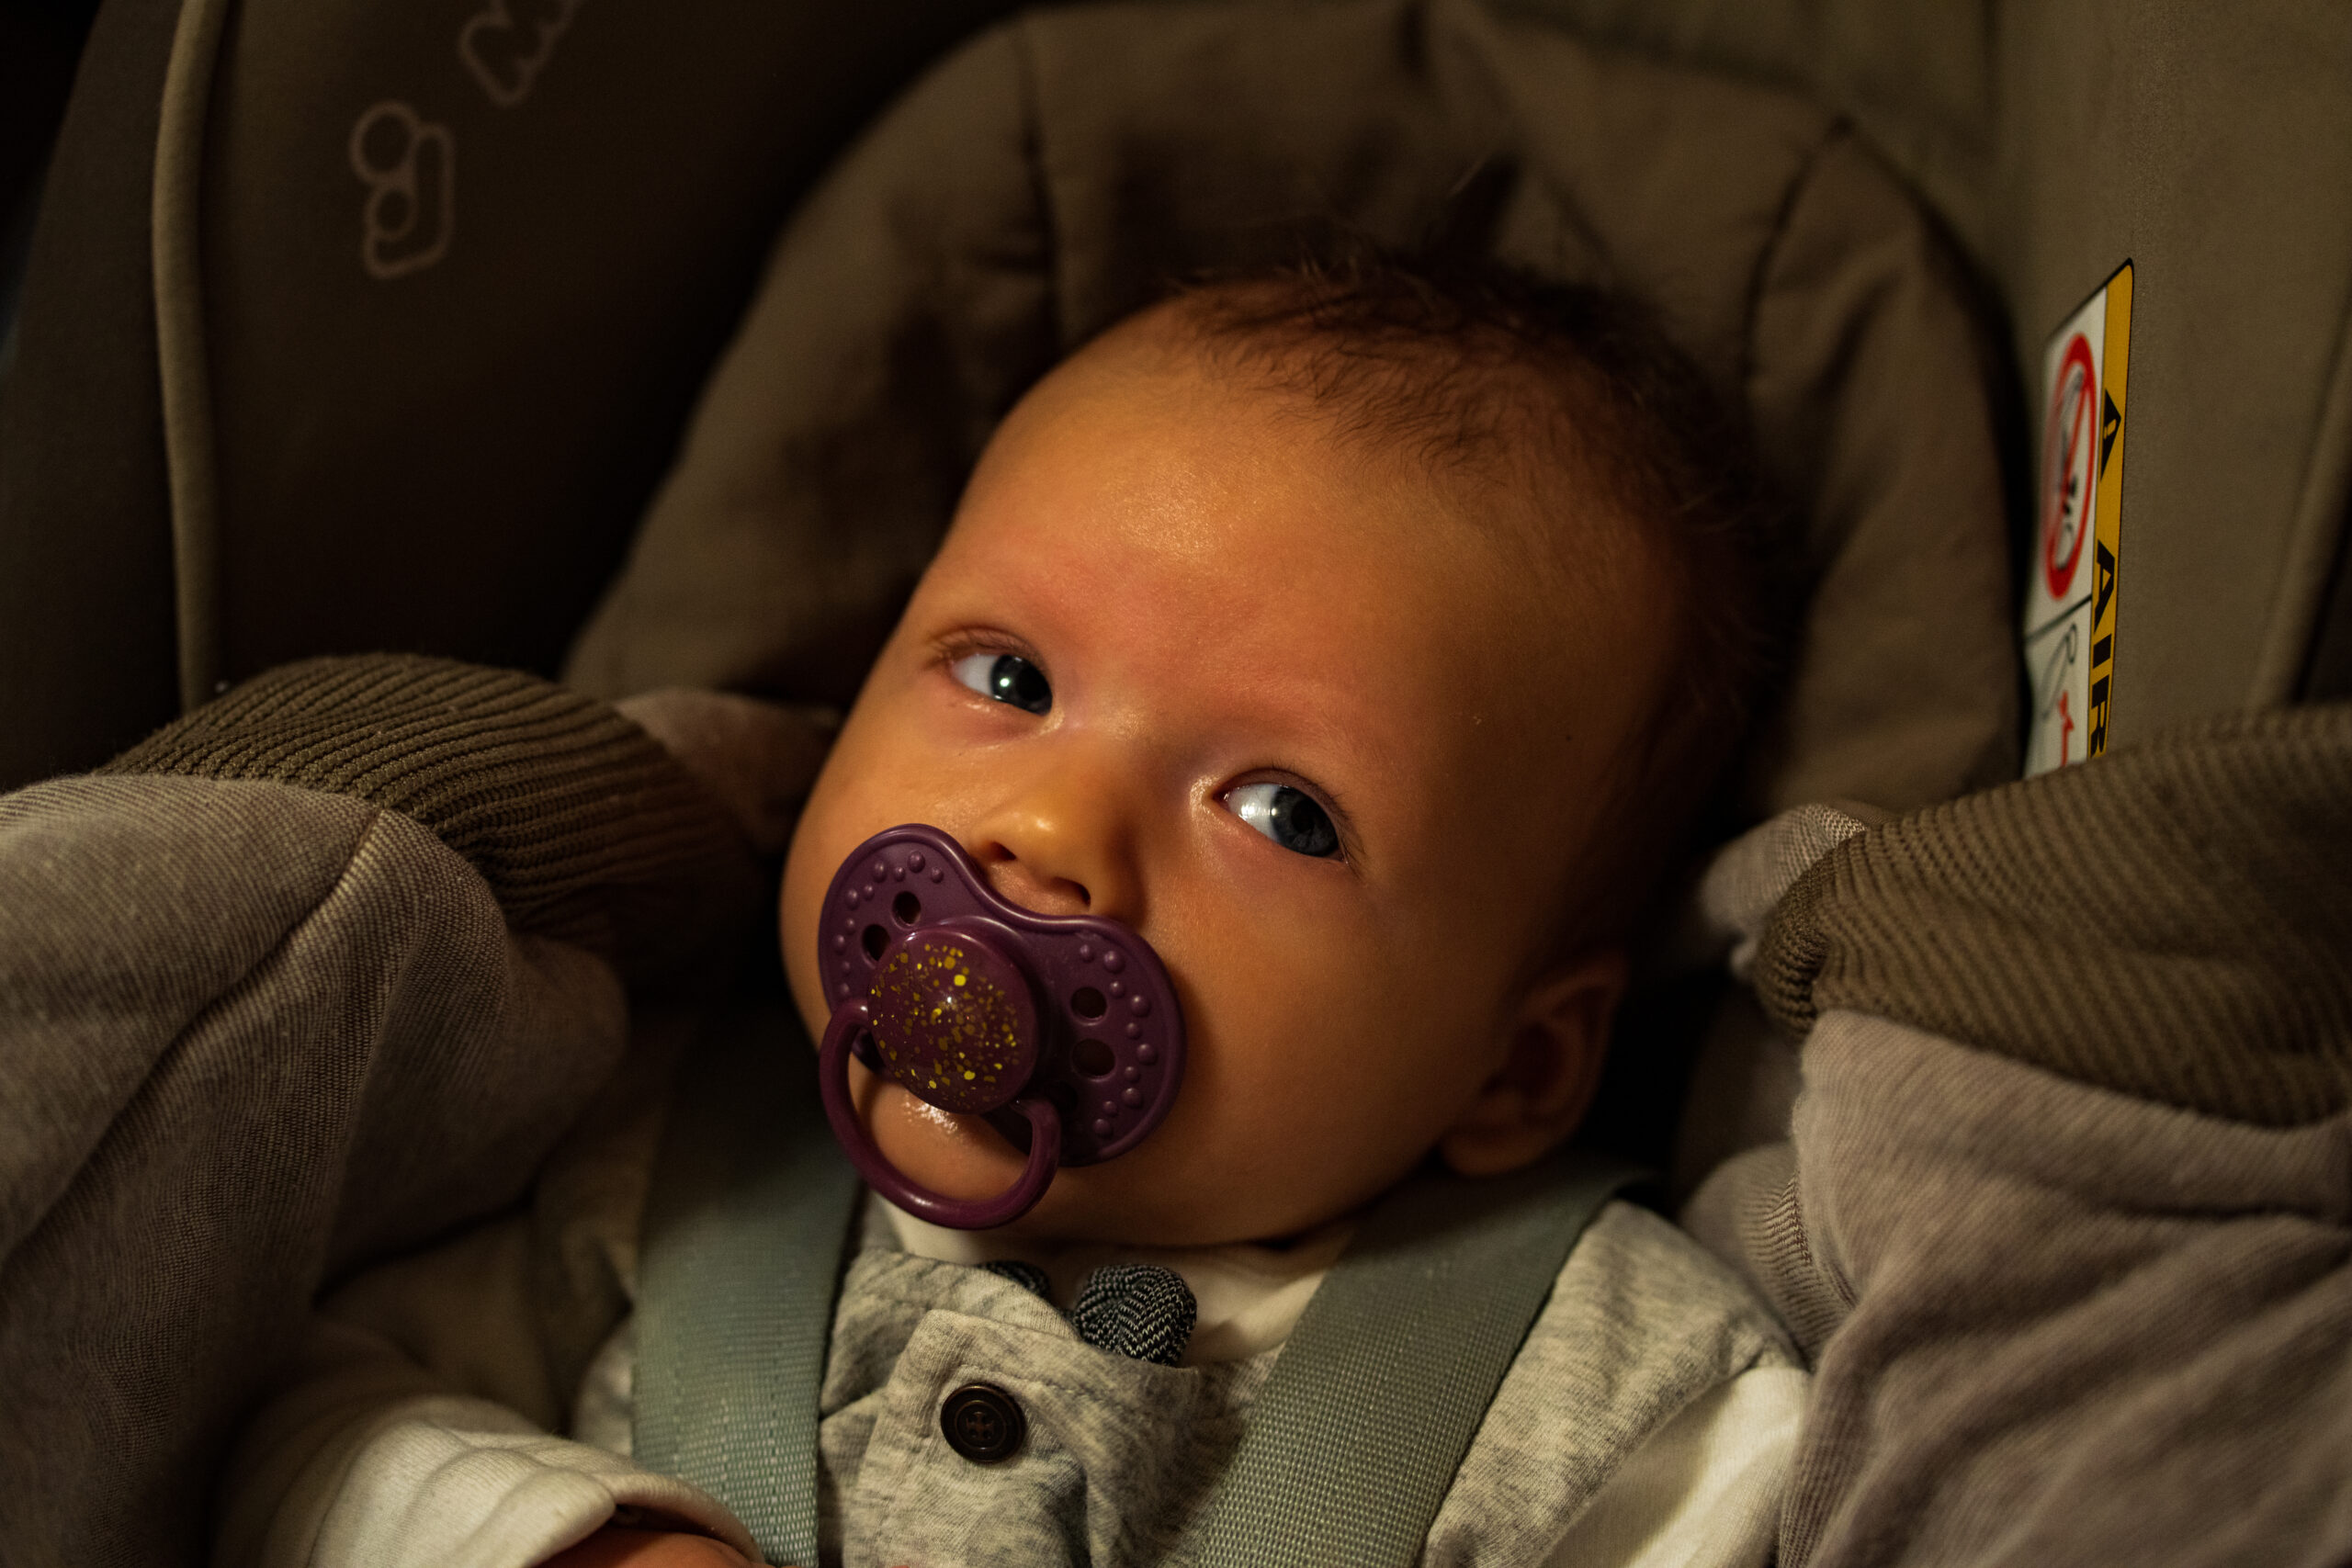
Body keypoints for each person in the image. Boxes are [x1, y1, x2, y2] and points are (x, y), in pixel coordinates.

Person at [213, 258, 1808, 1568]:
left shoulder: (1637, 1404)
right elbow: (281, 1428)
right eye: (1010, 678)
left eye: (1284, 812)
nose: (1048, 832)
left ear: (1516, 1066)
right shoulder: (643, 1172)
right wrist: (568, 1541)